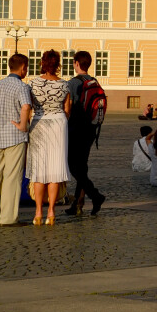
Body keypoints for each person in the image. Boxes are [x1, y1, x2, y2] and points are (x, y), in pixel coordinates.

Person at [0, 53, 34, 226]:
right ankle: (8, 218)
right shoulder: (21, 87)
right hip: (14, 137)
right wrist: (23, 126)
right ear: (23, 67)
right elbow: (26, 106)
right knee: (12, 178)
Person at [26, 49, 71, 225]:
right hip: (58, 125)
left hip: (39, 123)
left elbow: (29, 105)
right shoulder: (64, 85)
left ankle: (38, 213)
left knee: (39, 171)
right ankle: (51, 212)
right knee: (54, 170)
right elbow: (67, 110)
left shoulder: (33, 84)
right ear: (58, 65)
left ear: (42, 63)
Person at [65, 50, 105, 217]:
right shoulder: (94, 81)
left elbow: (69, 107)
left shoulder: (73, 83)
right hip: (91, 129)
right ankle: (78, 203)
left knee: (73, 166)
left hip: (76, 129)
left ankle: (95, 195)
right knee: (82, 166)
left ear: (76, 63)